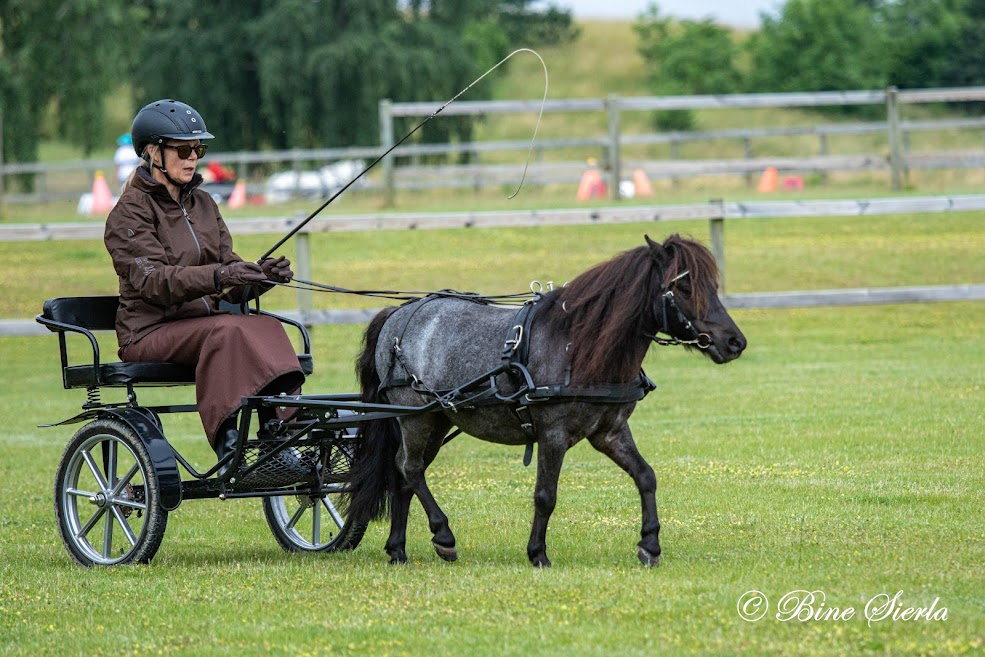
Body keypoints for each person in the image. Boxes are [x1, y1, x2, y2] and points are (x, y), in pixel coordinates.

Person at [104, 99, 304, 476]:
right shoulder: (129, 212)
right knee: (227, 329)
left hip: (202, 326)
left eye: (198, 149)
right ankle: (229, 445)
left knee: (266, 325)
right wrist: (220, 276)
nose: (193, 157)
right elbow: (154, 282)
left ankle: (279, 435)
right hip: (148, 332)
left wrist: (262, 277)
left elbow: (229, 280)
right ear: (153, 153)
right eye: (183, 150)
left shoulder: (205, 204)